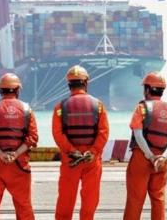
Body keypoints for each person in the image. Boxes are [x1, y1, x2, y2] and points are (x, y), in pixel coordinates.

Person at [52, 65, 109, 220]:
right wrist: (93, 151)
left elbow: (57, 134)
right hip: (91, 159)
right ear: (86, 83)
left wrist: (72, 151)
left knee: (65, 200)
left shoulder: (60, 107)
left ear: (69, 84)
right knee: (90, 201)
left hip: (71, 159)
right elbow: (103, 132)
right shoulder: (98, 105)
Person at [123, 72, 167, 220]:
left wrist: (150, 156)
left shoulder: (142, 108)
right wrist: (162, 157)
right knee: (158, 199)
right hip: (162, 161)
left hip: (141, 159)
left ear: (147, 89)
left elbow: (138, 134)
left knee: (135, 199)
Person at [0, 73, 38, 220]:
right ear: (18, 90)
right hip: (19, 165)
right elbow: (32, 138)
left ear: (0, 90)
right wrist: (15, 154)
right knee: (23, 204)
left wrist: (1, 154)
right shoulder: (27, 110)